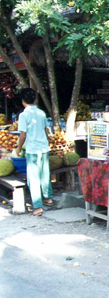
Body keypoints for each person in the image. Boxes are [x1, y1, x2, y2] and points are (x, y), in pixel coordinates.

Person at [15, 88, 51, 216]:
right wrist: (47, 141)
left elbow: (23, 135)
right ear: (35, 99)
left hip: (32, 150)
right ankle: (48, 198)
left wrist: (19, 148)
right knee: (45, 174)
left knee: (33, 178)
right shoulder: (41, 113)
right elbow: (47, 130)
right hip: (44, 148)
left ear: (23, 101)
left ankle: (37, 207)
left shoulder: (23, 115)